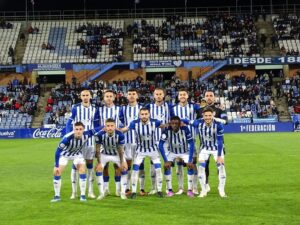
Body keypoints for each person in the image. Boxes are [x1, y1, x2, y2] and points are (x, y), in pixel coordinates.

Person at [120, 108, 167, 199]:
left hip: (153, 150)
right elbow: (125, 129)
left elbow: (164, 126)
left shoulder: (155, 122)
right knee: (135, 170)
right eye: (142, 114)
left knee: (158, 169)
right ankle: (134, 191)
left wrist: (174, 125)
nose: (144, 116)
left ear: (149, 114)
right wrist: (115, 130)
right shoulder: (135, 123)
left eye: (146, 114)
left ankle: (159, 190)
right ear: (139, 115)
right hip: (140, 150)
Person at [66, 89, 100, 199]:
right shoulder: (76, 108)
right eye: (83, 95)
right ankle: (74, 192)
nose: (85, 97)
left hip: (89, 140)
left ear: (90, 96)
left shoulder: (95, 109)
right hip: (76, 141)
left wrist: (97, 139)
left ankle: (90, 191)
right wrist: (68, 137)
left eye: (87, 95)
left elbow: (95, 126)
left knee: (90, 165)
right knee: (75, 166)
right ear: (80, 97)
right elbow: (69, 123)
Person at [50, 122, 96, 202]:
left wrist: (105, 127)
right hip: (64, 155)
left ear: (83, 130)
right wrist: (56, 165)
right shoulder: (67, 138)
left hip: (77, 155)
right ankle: (57, 196)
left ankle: (82, 196)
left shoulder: (87, 134)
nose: (78, 131)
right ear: (73, 130)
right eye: (76, 129)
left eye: (80, 129)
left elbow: (97, 129)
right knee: (57, 172)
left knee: (82, 170)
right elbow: (57, 152)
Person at [191, 107, 227, 198]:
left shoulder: (218, 125)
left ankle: (221, 189)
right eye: (206, 115)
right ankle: (203, 191)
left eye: (209, 115)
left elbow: (219, 141)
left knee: (221, 167)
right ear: (203, 115)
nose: (207, 117)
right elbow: (186, 121)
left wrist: (219, 156)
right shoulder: (198, 122)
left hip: (216, 149)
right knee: (201, 168)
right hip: (204, 149)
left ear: (213, 115)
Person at [197, 90, 227, 193]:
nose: (209, 97)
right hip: (204, 143)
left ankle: (220, 185)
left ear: (214, 98)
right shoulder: (200, 110)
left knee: (220, 164)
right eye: (207, 96)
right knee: (204, 165)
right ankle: (206, 184)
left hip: (218, 142)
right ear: (204, 97)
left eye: (211, 95)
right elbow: (197, 123)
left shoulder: (219, 110)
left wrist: (215, 119)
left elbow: (226, 121)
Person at [171, 88, 200, 195]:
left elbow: (201, 117)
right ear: (178, 97)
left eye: (184, 94)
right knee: (179, 164)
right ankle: (180, 187)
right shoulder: (173, 108)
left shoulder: (194, 106)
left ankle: (194, 187)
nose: (182, 96)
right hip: (177, 141)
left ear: (187, 96)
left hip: (191, 139)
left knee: (193, 164)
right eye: (180, 95)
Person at [159, 116, 195, 197]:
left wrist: (189, 160)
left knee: (191, 166)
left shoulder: (185, 129)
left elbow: (191, 143)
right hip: (172, 152)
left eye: (176, 123)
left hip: (185, 152)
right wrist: (165, 160)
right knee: (166, 166)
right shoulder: (166, 130)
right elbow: (160, 145)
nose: (174, 125)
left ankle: (190, 190)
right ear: (170, 124)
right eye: (172, 123)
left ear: (180, 124)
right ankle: (170, 190)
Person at [145, 87, 172, 195]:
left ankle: (168, 188)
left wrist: (168, 125)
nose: (158, 96)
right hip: (152, 141)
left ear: (164, 95)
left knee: (167, 164)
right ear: (153, 95)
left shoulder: (169, 107)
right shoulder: (149, 107)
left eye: (160, 94)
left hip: (166, 141)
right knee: (153, 166)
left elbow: (174, 120)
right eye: (156, 94)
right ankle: (154, 187)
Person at [94, 118, 128, 200]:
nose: (110, 128)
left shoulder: (120, 134)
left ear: (115, 126)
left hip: (116, 154)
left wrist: (122, 161)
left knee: (124, 169)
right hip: (104, 154)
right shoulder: (99, 134)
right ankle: (102, 193)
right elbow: (97, 149)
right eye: (108, 126)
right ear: (105, 127)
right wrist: (98, 163)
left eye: (112, 126)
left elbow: (120, 149)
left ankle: (122, 192)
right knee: (99, 169)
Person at [119, 88, 142, 195]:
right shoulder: (122, 109)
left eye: (134, 94)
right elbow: (120, 124)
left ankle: (141, 189)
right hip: (127, 141)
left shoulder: (142, 108)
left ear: (137, 96)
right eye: (129, 94)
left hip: (139, 142)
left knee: (139, 165)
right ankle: (127, 188)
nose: (132, 96)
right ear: (127, 96)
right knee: (127, 165)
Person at [99, 90, 122, 196]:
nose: (108, 98)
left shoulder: (119, 109)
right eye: (106, 96)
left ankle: (118, 189)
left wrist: (119, 130)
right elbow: (97, 124)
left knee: (117, 166)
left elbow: (124, 122)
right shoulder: (99, 110)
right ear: (104, 98)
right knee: (105, 166)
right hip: (104, 141)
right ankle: (106, 189)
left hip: (116, 140)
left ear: (114, 97)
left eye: (110, 96)